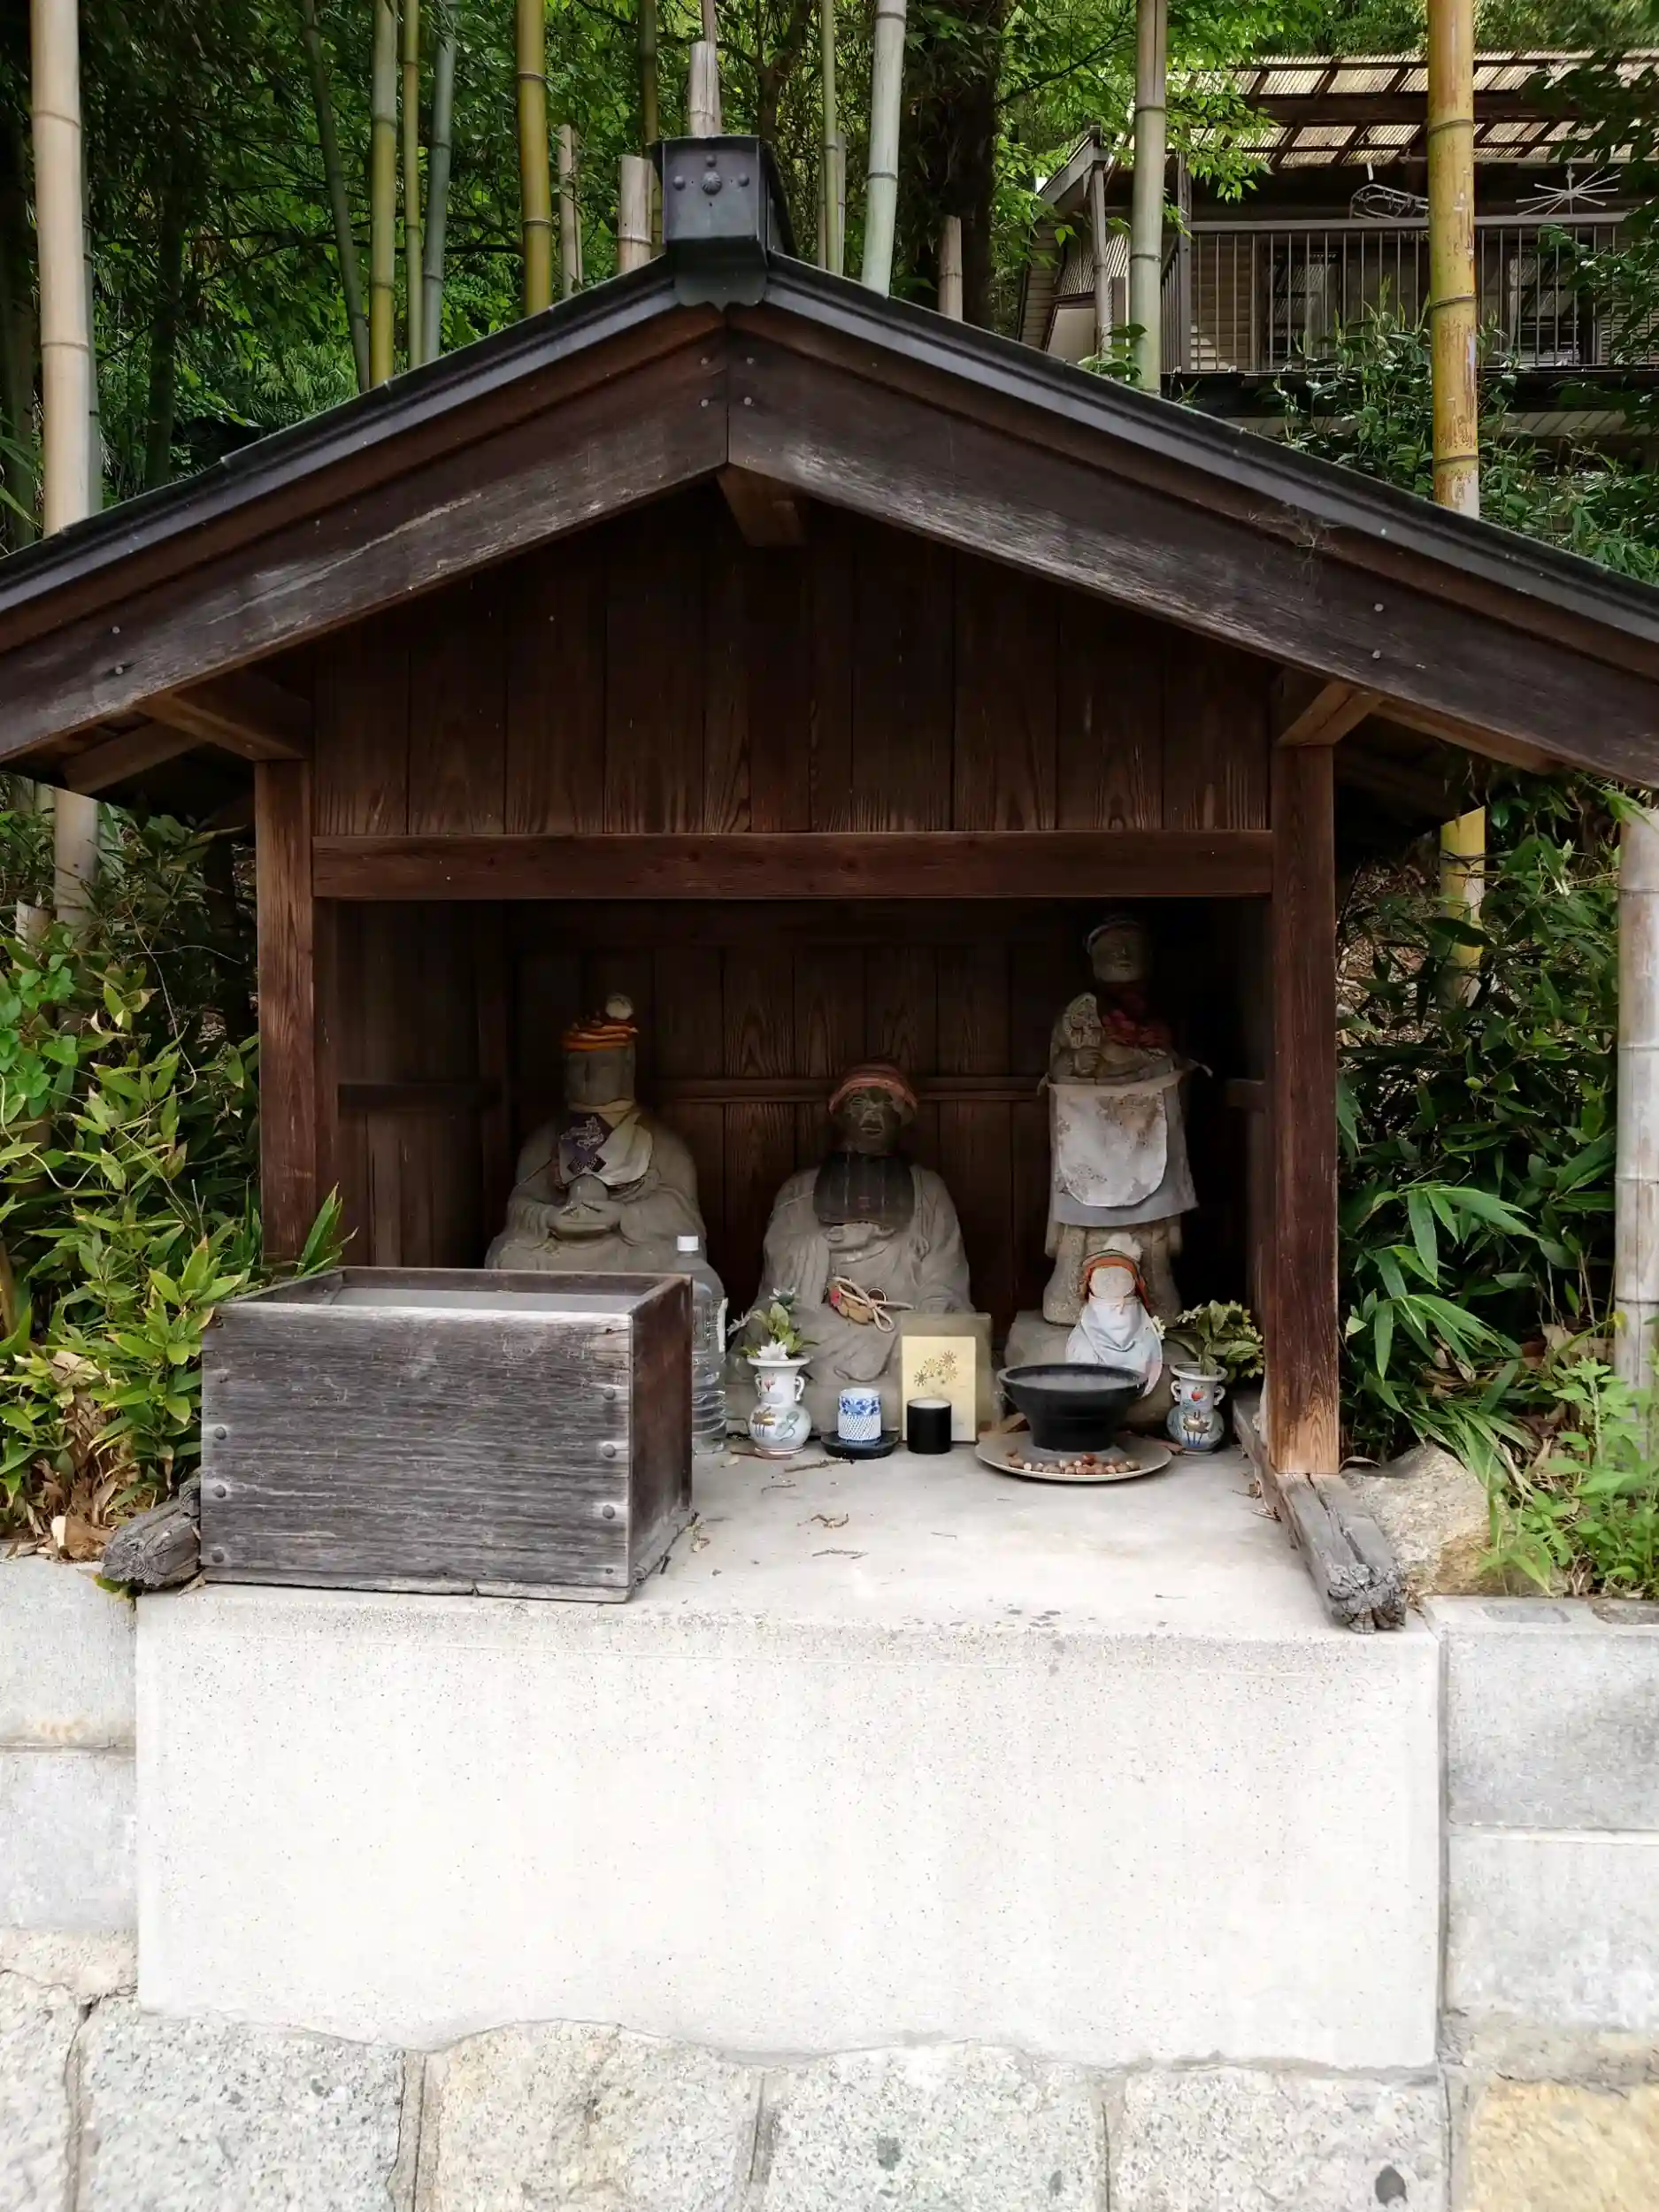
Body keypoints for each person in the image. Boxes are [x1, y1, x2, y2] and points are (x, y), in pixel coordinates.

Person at [754, 1062, 971, 1433]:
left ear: (903, 1117)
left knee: (946, 1334)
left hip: (900, 1322)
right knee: (774, 1330)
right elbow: (780, 1281)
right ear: (839, 1114)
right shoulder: (800, 1189)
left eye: (885, 1104)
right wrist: (826, 1243)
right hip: (824, 1323)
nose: (872, 1115)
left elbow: (945, 1273)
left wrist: (931, 1313)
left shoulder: (928, 1190)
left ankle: (871, 1383)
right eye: (859, 1104)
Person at [488, 996, 705, 1274]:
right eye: (578, 1065)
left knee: (672, 1262)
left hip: (626, 1250)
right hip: (560, 1250)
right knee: (509, 1257)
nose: (587, 1076)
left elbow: (684, 1216)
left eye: (601, 1064)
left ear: (628, 1065)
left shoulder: (662, 1145)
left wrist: (624, 1215)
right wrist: (549, 1217)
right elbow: (519, 1205)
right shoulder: (543, 1142)